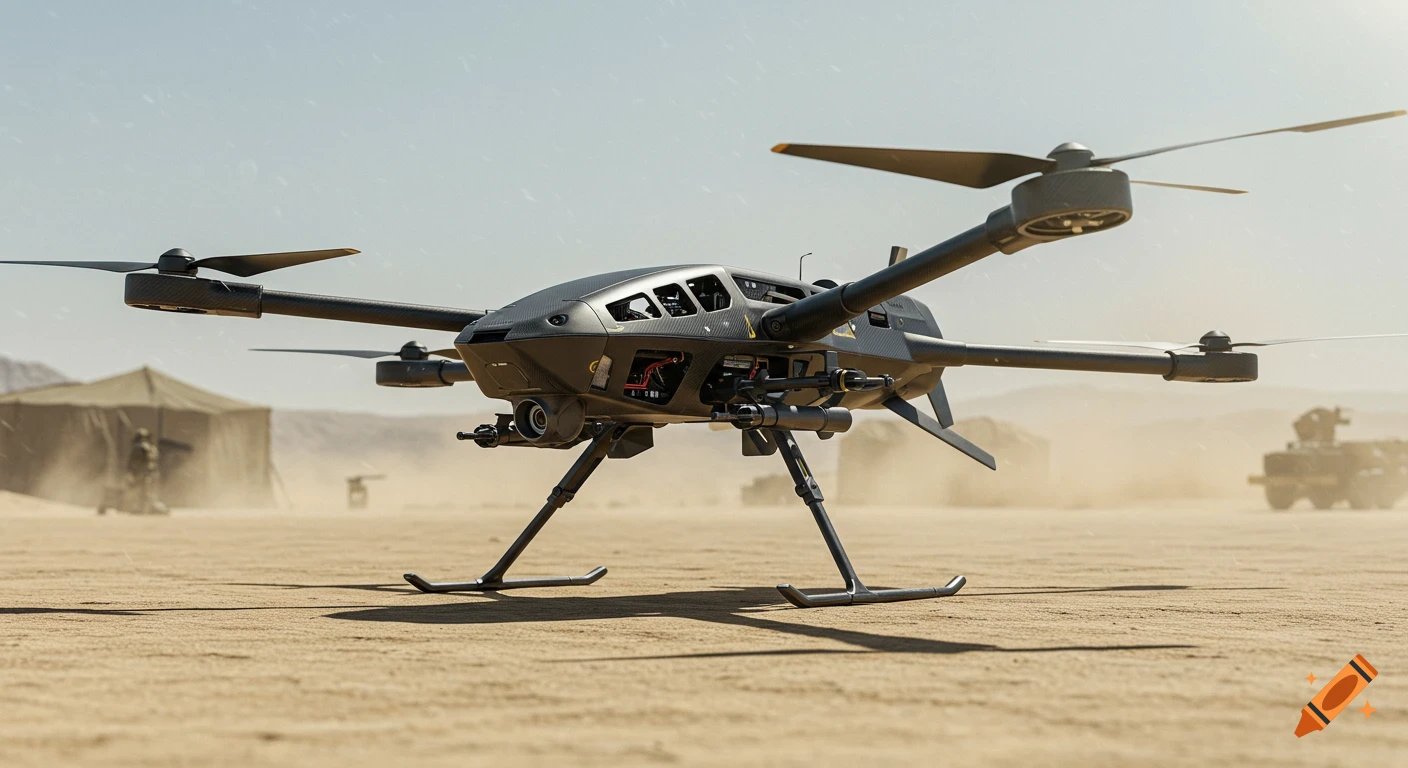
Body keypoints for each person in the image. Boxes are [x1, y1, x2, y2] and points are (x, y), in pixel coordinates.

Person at [124, 428, 167, 515]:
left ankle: (142, 508)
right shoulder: (152, 448)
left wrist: (130, 472)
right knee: (147, 492)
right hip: (150, 473)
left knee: (141, 492)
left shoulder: (138, 447)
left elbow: (131, 462)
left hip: (141, 473)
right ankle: (147, 508)